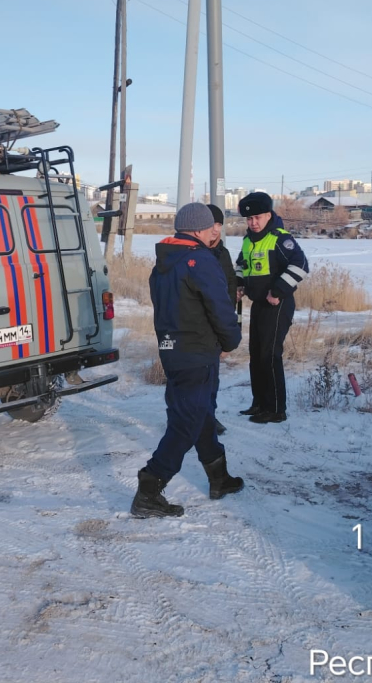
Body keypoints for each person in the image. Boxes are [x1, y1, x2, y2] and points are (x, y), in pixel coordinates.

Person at [131, 202, 245, 518]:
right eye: (210, 226)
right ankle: (149, 489)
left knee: (199, 413)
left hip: (173, 350)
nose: (215, 231)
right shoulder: (200, 261)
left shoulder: (163, 263)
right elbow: (219, 306)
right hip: (197, 352)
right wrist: (231, 339)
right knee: (185, 424)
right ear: (197, 229)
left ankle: (219, 479)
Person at [235, 192, 309, 424]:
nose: (253, 223)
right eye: (249, 219)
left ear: (268, 215)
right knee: (256, 355)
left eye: (257, 218)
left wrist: (277, 291)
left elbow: (301, 265)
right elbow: (241, 265)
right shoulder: (248, 240)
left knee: (270, 355)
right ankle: (259, 404)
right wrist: (239, 284)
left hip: (278, 305)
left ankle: (276, 409)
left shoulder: (279, 238)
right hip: (258, 305)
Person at [206, 203, 238, 436]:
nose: (216, 229)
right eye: (211, 224)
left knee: (212, 376)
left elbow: (230, 289)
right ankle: (183, 419)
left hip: (216, 326)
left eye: (219, 224)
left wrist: (229, 325)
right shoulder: (191, 253)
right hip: (195, 326)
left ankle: (209, 417)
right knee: (189, 379)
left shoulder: (222, 253)